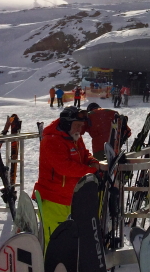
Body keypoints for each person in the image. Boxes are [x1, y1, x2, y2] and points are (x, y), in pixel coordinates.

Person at [33, 107, 99, 249]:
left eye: (82, 126)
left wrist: (93, 161)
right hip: (54, 199)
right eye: (78, 125)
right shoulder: (51, 140)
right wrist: (92, 170)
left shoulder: (74, 136)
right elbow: (65, 167)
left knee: (72, 242)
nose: (80, 130)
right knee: (54, 242)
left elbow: (85, 154)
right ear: (67, 123)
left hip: (73, 197)